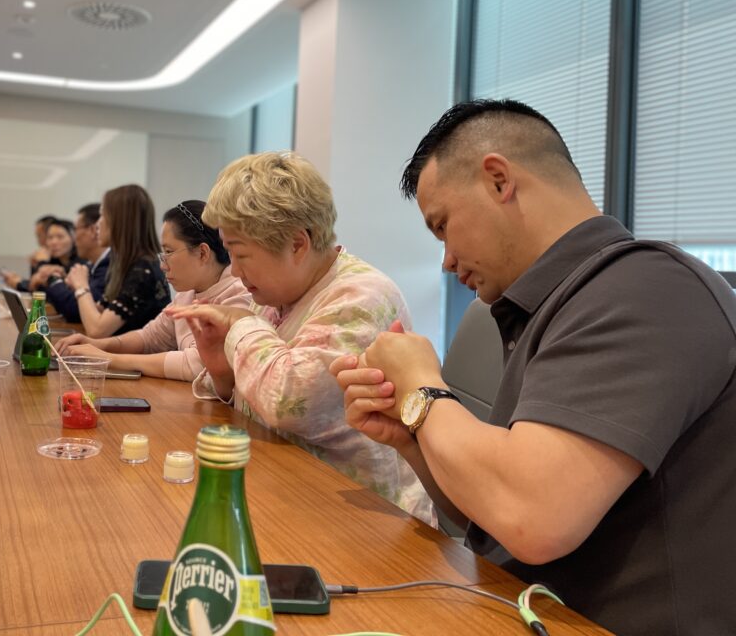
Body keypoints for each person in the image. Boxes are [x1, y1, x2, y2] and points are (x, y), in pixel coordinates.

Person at [333, 99, 736, 636]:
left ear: (499, 180)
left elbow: (533, 517)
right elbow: (492, 516)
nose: (446, 260)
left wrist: (424, 390)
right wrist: (410, 436)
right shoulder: (554, 305)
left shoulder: (647, 289)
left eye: (443, 226)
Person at [169, 152, 435, 525]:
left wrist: (241, 324)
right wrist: (223, 373)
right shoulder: (277, 294)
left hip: (368, 522)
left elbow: (288, 402)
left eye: (241, 255)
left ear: (297, 244)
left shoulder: (363, 296)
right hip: (292, 495)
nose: (235, 271)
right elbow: (257, 401)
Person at [54, 200, 251, 379]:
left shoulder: (239, 295)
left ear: (202, 253)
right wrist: (98, 345)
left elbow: (198, 365)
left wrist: (108, 358)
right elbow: (151, 337)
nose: (163, 265)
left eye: (168, 252)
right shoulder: (187, 293)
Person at [65, 184, 170, 337]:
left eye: (102, 215)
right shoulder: (125, 263)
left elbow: (97, 330)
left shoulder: (143, 270)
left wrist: (81, 287)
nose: (97, 224)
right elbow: (98, 312)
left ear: (120, 221)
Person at [45, 203, 109, 323]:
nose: (74, 238)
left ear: (93, 230)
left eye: (75, 229)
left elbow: (75, 310)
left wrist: (55, 281)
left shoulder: (108, 265)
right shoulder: (92, 264)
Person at [3, 217, 80, 292]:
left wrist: (42, 263)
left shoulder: (80, 263)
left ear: (74, 238)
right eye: (50, 237)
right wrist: (35, 266)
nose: (54, 242)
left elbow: (55, 292)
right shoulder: (54, 260)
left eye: (60, 237)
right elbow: (36, 287)